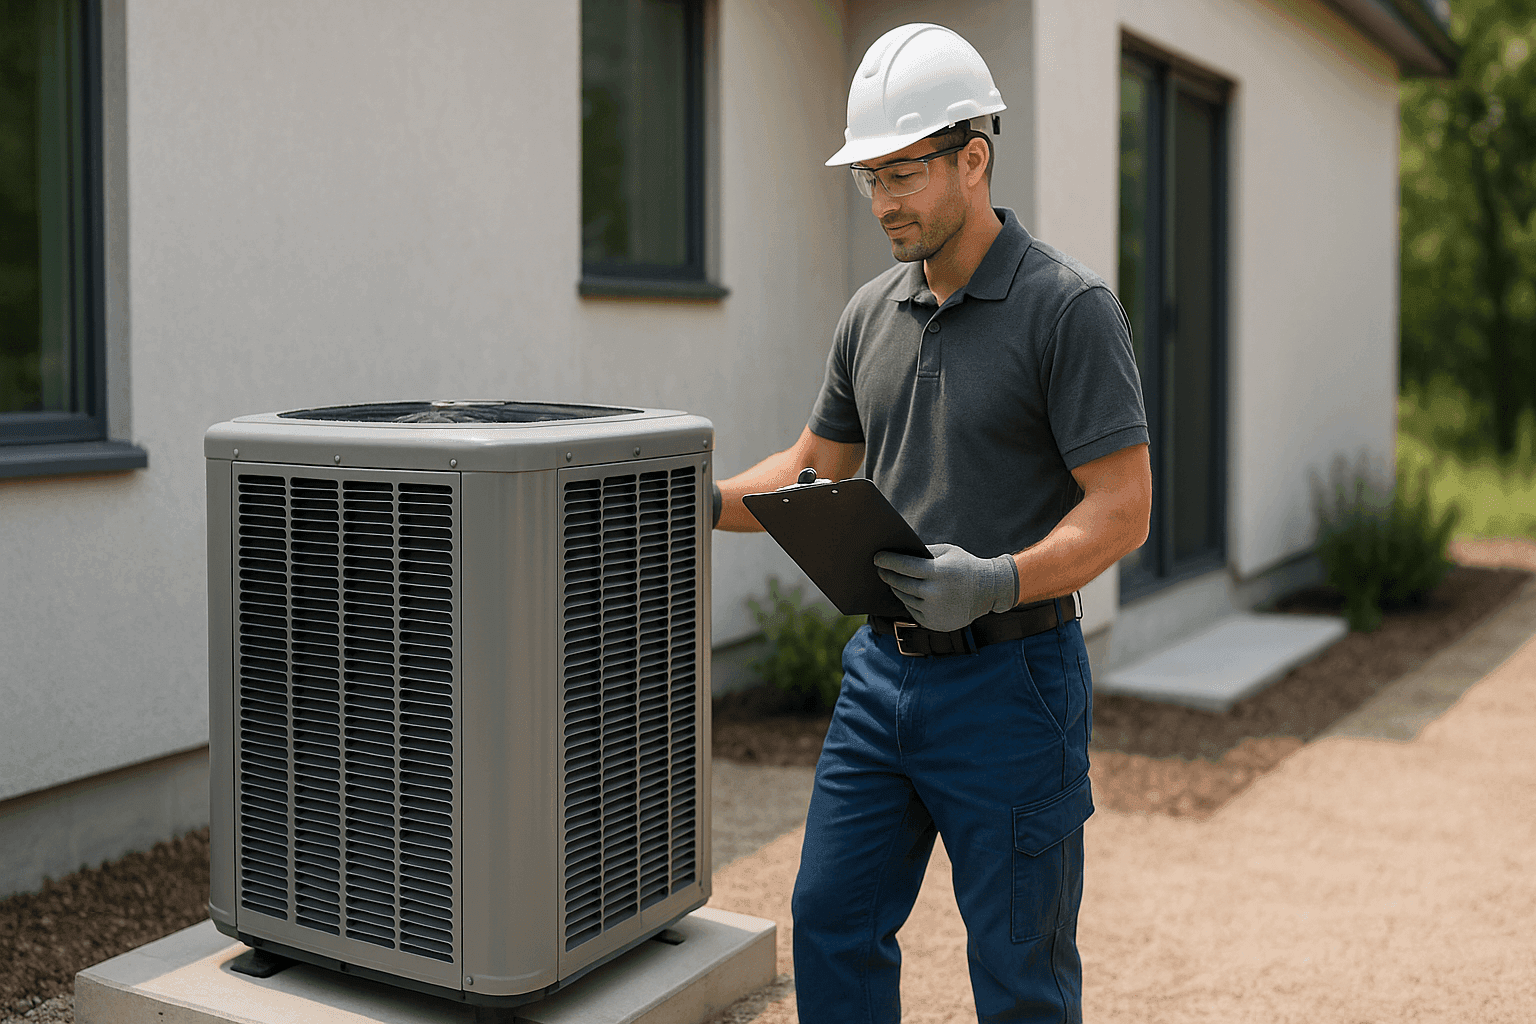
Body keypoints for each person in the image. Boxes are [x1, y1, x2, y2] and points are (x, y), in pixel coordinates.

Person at [713, 22, 1151, 1024]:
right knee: (831, 921)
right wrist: (694, 502)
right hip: (880, 681)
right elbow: (811, 470)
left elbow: (1125, 509)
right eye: (869, 178)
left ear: (973, 159)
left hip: (1016, 685)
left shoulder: (1069, 309)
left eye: (902, 174)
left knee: (1020, 972)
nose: (882, 202)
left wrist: (994, 579)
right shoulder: (869, 314)